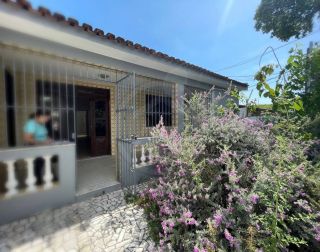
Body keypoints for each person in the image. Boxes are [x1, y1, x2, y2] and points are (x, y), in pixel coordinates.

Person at [23, 109, 52, 185]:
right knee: (37, 167)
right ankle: (38, 182)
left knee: (43, 164)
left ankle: (44, 179)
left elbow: (44, 135)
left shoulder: (42, 124)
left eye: (48, 119)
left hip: (42, 148)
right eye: (45, 118)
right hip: (33, 149)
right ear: (38, 117)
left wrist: (49, 139)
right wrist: (43, 142)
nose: (46, 120)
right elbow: (28, 139)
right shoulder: (31, 124)